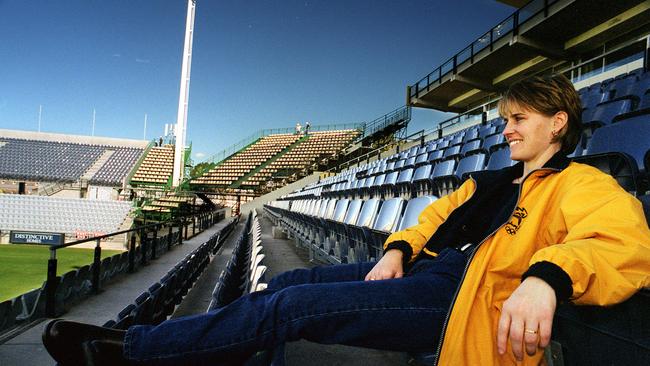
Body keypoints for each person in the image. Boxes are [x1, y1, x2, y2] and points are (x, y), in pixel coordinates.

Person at [42, 74, 650, 366]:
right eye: (506, 118)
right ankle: (196, 349)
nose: (507, 128)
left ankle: (139, 352)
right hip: (433, 274)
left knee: (288, 309)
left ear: (558, 123)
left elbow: (621, 244)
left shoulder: (581, 182)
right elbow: (429, 221)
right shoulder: (490, 182)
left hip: (470, 301)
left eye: (520, 118)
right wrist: (397, 250)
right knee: (285, 284)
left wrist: (546, 278)